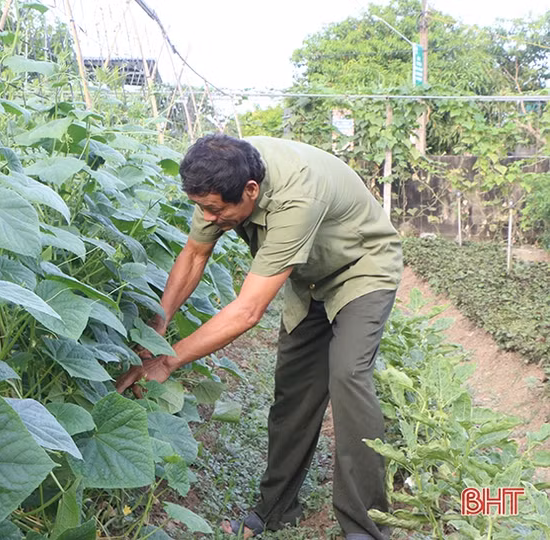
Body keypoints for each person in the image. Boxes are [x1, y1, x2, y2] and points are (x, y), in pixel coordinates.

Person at [115, 134, 403, 539]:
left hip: (362, 268)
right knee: (294, 392)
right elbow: (195, 254)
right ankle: (276, 509)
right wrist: (157, 328)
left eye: (215, 210)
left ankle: (366, 528)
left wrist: (166, 360)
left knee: (347, 375)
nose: (208, 217)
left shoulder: (296, 197)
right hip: (310, 281)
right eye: (201, 208)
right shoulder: (220, 174)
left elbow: (248, 310)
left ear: (251, 190)